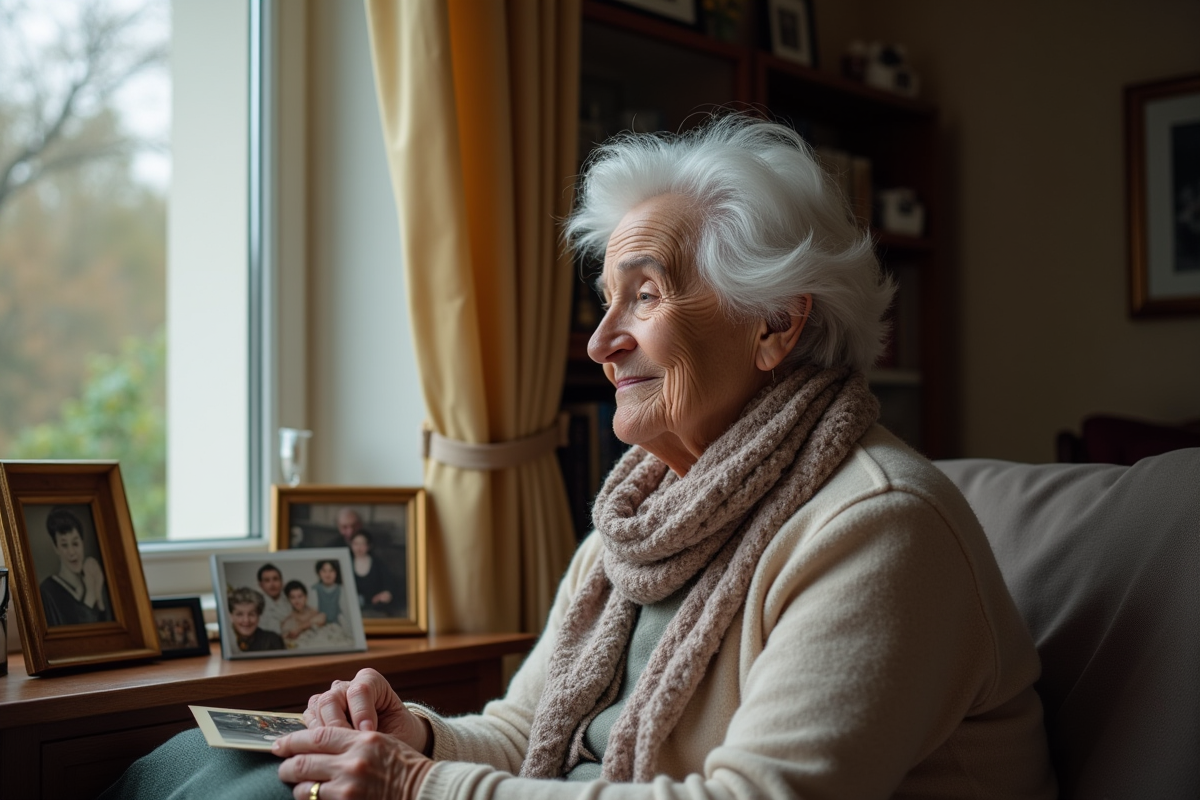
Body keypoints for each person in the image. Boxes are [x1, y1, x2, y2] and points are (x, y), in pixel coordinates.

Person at [100, 114, 1055, 799]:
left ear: (775, 325)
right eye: (605, 302)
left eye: (644, 297)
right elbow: (530, 733)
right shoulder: (639, 521)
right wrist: (417, 734)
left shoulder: (880, 528)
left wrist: (418, 785)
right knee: (207, 765)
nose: (599, 344)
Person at [38, 506, 113, 626]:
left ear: (82, 542)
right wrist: (91, 594)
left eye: (75, 543)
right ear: (56, 547)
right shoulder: (47, 592)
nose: (72, 552)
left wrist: (98, 596)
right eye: (64, 545)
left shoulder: (95, 579)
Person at [349, 529, 401, 617]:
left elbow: (389, 582)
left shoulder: (377, 563)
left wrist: (386, 593)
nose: (359, 548)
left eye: (362, 544)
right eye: (356, 544)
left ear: (369, 546)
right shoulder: (346, 562)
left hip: (374, 604)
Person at [227, 587, 285, 653]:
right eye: (239, 614)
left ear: (259, 615)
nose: (246, 620)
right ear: (230, 616)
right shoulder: (225, 640)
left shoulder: (272, 640)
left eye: (251, 614)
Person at [256, 563, 292, 635]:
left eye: (275, 579)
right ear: (261, 585)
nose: (272, 584)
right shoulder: (257, 606)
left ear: (281, 582)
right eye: (267, 580)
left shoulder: (292, 599)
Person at [310, 560, 345, 627]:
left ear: (336, 572)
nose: (327, 574)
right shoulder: (314, 589)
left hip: (337, 626)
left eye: (331, 571)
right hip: (319, 626)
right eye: (324, 571)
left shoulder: (341, 589)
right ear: (319, 573)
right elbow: (313, 612)